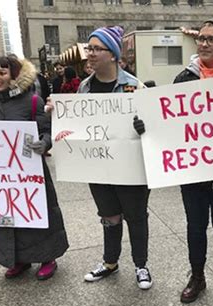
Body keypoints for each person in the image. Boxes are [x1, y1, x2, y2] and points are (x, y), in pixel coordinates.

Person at [134, 16, 213, 306]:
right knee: (195, 227)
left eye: (212, 39)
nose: (205, 43)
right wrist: (147, 125)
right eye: (202, 38)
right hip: (193, 171)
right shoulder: (183, 78)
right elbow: (171, 123)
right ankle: (197, 276)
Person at [0, 55, 69, 280]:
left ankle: (48, 258)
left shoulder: (33, 101)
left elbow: (47, 130)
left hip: (30, 172)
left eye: (2, 72)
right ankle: (18, 259)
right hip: (1, 175)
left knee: (38, 212)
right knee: (7, 216)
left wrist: (44, 142)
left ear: (14, 75)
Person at [75, 26, 152, 290]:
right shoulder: (83, 89)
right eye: (90, 48)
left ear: (112, 54)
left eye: (97, 49)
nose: (91, 54)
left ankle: (141, 265)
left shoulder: (133, 86)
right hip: (99, 166)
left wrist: (145, 126)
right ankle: (110, 262)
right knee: (109, 216)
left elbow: (153, 126)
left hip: (131, 168)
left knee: (136, 216)